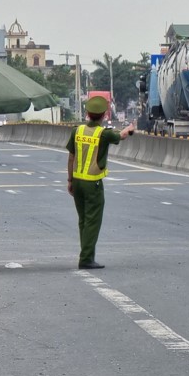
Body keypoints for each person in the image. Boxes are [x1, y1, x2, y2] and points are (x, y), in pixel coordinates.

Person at [67, 96, 135, 269]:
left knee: (83, 220)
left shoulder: (78, 131)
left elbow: (71, 157)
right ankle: (86, 258)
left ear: (88, 114)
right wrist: (129, 128)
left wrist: (70, 180)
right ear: (104, 115)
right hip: (93, 184)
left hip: (77, 181)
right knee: (92, 221)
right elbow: (121, 136)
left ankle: (85, 253)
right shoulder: (103, 134)